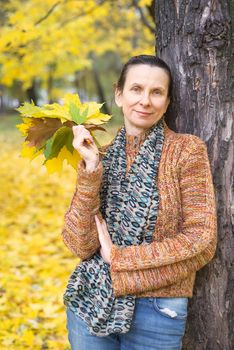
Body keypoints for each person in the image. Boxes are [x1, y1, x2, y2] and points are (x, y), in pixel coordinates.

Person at [62, 55, 217, 350]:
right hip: (92, 299)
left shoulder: (186, 151)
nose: (145, 100)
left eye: (156, 92)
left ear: (167, 101)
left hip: (158, 310)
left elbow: (201, 240)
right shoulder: (101, 155)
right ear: (119, 94)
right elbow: (80, 244)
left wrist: (120, 259)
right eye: (136, 89)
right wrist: (92, 170)